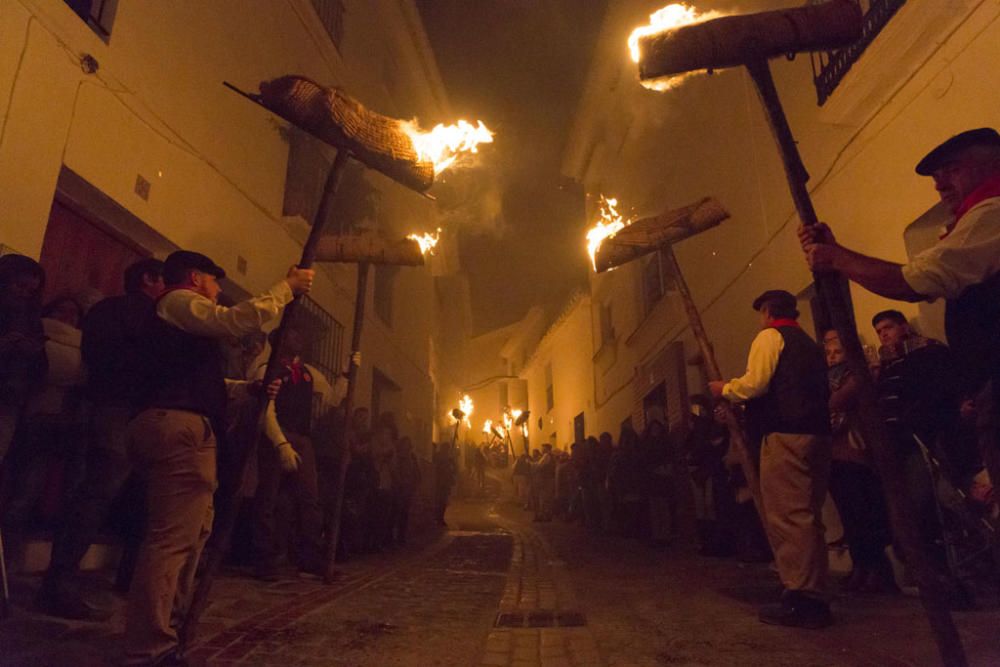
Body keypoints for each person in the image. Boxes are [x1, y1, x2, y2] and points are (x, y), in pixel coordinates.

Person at [123, 250, 312, 666]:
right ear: (195, 278)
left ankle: (165, 631)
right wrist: (286, 289)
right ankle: (149, 645)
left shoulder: (181, 324)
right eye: (213, 281)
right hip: (178, 427)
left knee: (189, 537)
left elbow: (200, 381)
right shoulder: (177, 302)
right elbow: (231, 321)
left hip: (184, 424)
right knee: (172, 540)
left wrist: (248, 389)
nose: (218, 290)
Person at [800, 127, 1000, 500]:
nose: (940, 186)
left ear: (990, 164)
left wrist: (837, 257)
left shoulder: (992, 212)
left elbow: (912, 282)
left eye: (951, 170)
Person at [35, 259, 164, 619]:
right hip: (118, 408)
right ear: (149, 279)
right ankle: (58, 581)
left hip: (131, 409)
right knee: (98, 491)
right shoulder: (122, 312)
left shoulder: (117, 312)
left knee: (133, 495)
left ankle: (126, 578)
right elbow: (106, 358)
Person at [709, 289, 832, 629]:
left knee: (789, 517)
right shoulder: (808, 343)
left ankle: (803, 597)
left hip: (786, 434)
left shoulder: (770, 336)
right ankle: (811, 589)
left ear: (766, 311)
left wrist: (725, 389)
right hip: (817, 435)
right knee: (808, 517)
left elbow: (755, 384)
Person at [251, 327, 345, 580]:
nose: (299, 337)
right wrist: (280, 443)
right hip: (274, 436)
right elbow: (264, 411)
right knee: (268, 499)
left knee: (309, 499)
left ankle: (310, 558)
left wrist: (346, 377)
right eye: (293, 334)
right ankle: (264, 559)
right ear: (280, 341)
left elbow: (331, 399)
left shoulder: (308, 373)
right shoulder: (266, 370)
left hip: (302, 439)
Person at [822, 330, 896, 593]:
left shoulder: (857, 374)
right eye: (828, 353)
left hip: (855, 450)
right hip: (835, 453)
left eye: (837, 352)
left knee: (864, 514)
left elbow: (835, 402)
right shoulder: (830, 378)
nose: (832, 358)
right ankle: (860, 567)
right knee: (849, 517)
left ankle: (876, 570)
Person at [4, 295, 87, 528]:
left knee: (34, 485)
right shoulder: (36, 335)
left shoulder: (83, 344)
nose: (68, 317)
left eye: (74, 314)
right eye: (62, 311)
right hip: (28, 413)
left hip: (59, 419)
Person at [0, 254, 47, 465]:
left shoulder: (31, 318)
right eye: (20, 286)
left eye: (31, 291)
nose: (24, 294)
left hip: (12, 395)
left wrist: (34, 352)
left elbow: (39, 366)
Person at [685, 396, 736, 557]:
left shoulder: (710, 428)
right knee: (705, 509)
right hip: (703, 471)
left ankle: (720, 544)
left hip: (715, 471)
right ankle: (710, 543)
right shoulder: (699, 429)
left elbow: (712, 448)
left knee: (713, 507)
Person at [641, 420, 677, 547]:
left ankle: (665, 535)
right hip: (652, 479)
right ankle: (658, 535)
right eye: (653, 428)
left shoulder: (665, 443)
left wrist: (666, 468)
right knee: (655, 508)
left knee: (664, 507)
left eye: (657, 428)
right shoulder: (647, 444)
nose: (655, 430)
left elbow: (671, 457)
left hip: (663, 479)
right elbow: (644, 461)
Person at [392, 436, 421, 546]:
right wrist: (399, 481)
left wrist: (414, 484)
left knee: (404, 513)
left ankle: (401, 537)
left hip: (408, 489)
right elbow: (395, 470)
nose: (406, 447)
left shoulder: (412, 457)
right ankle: (391, 537)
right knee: (395, 513)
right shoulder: (398, 457)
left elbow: (416, 473)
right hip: (398, 488)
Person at [432, 442, 456, 527]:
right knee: (439, 501)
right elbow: (436, 467)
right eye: (446, 449)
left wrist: (452, 461)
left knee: (444, 502)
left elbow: (453, 469)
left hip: (445, 482)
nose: (447, 450)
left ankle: (440, 518)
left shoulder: (448, 458)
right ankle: (437, 518)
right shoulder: (438, 456)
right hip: (439, 482)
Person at [532, 443, 556, 522]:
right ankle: (545, 515)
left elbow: (539, 466)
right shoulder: (547, 456)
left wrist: (531, 465)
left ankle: (545, 516)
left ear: (546, 449)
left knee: (544, 499)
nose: (541, 450)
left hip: (546, 480)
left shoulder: (546, 456)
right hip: (547, 480)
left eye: (543, 448)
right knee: (545, 499)